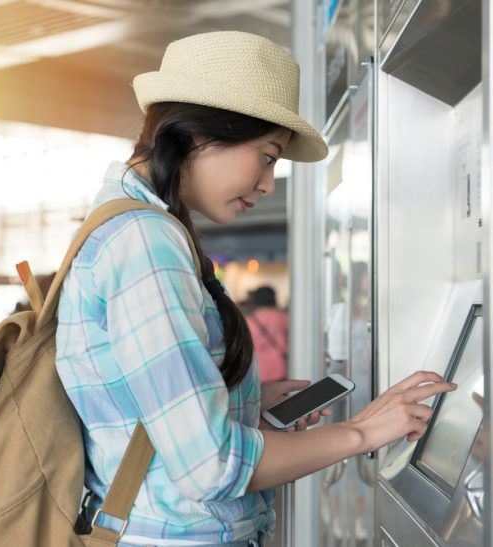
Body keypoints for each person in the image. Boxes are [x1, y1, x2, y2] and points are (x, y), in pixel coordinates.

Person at [54, 31, 454, 547]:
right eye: (268, 156)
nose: (268, 184)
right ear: (198, 133)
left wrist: (241, 401)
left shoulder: (130, 227)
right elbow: (208, 466)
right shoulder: (146, 242)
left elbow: (142, 409)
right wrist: (362, 433)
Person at [245, 286, 289, 382]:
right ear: (274, 299)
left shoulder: (248, 321)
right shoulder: (283, 317)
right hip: (280, 369)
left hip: (258, 371)